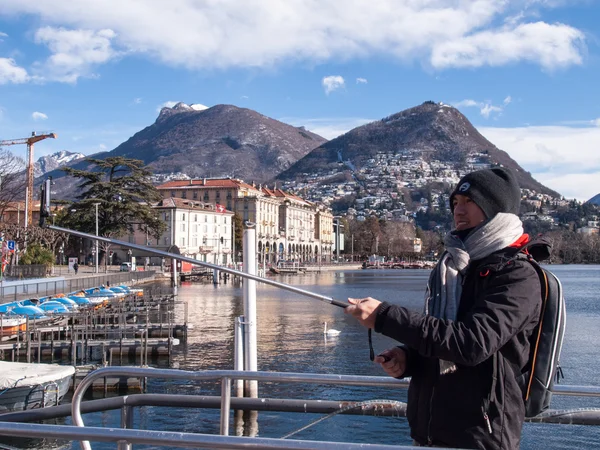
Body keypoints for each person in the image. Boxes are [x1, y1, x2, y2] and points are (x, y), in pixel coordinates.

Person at [345, 167, 545, 449]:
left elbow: (471, 343)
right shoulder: (451, 267)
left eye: (469, 202)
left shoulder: (518, 275)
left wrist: (384, 317)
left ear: (495, 209)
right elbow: (443, 336)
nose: (458, 211)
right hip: (428, 435)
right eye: (455, 203)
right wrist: (408, 359)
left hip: (480, 437)